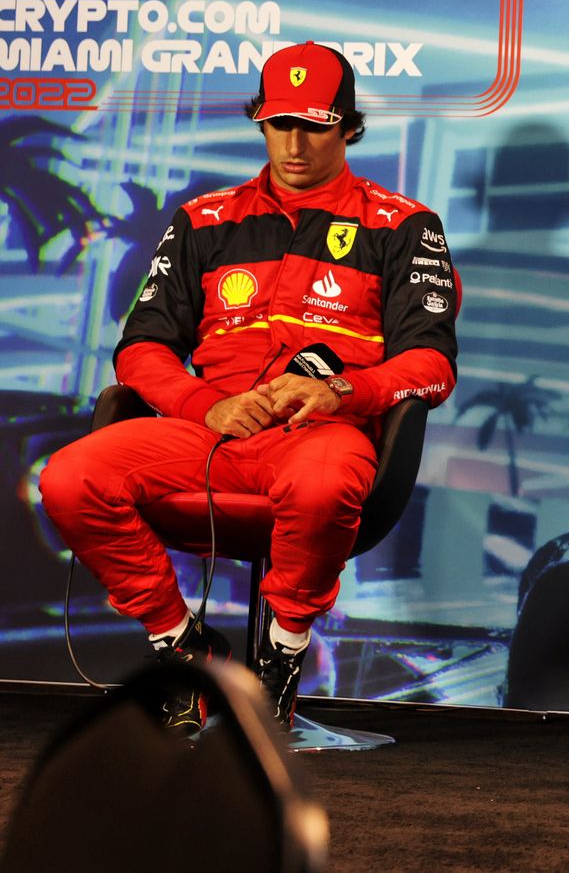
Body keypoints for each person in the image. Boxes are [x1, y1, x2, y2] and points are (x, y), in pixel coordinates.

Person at [41, 42, 458, 731]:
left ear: (348, 126)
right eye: (279, 123)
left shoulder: (403, 225)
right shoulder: (204, 219)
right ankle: (183, 647)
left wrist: (341, 392)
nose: (294, 144)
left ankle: (281, 656)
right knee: (68, 478)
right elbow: (142, 348)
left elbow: (431, 364)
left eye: (314, 124)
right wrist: (207, 405)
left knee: (321, 487)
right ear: (261, 122)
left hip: (322, 433)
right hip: (209, 429)